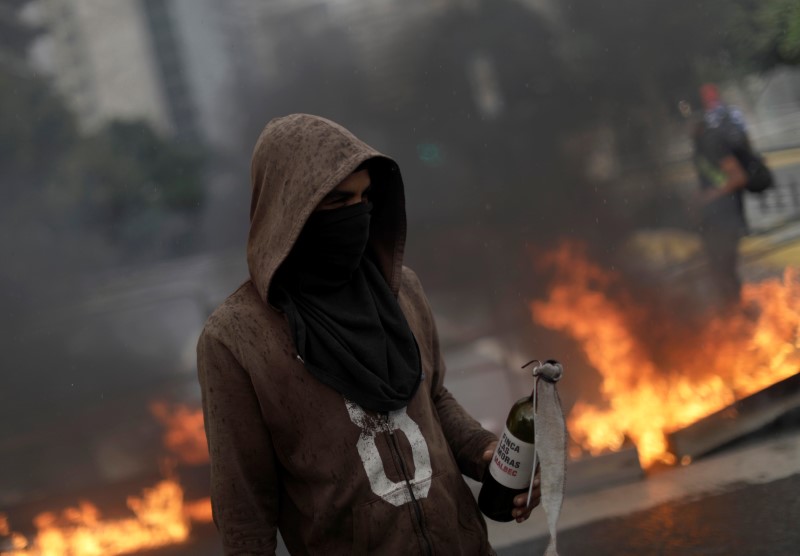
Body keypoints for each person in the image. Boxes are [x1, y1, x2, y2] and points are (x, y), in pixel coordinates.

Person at [196, 113, 540, 555]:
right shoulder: (235, 340)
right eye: (337, 203)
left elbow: (431, 400)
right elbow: (245, 507)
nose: (355, 215)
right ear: (290, 210)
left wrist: (486, 452)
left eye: (363, 199)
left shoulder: (400, 290)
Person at [690, 114, 750, 308]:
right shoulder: (700, 143)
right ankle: (734, 316)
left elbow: (738, 177)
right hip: (716, 221)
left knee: (724, 272)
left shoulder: (711, 142)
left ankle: (738, 317)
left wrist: (710, 196)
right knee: (720, 272)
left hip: (726, 221)